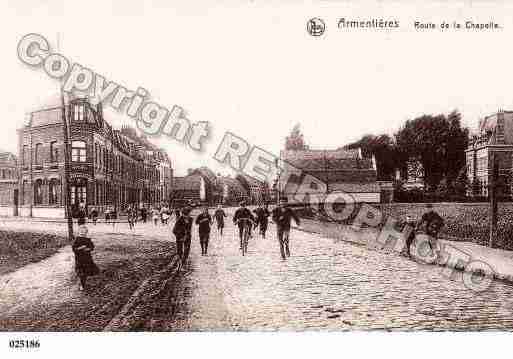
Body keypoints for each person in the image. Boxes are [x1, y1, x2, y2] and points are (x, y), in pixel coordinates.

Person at [72, 222, 100, 291]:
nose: (82, 233)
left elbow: (92, 247)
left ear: (86, 233)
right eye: (81, 232)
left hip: (87, 259)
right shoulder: (77, 240)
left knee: (85, 272)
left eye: (84, 232)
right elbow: (74, 249)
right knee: (81, 272)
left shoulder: (88, 240)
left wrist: (88, 249)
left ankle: (83, 282)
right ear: (78, 232)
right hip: (79, 259)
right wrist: (80, 248)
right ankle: (82, 284)